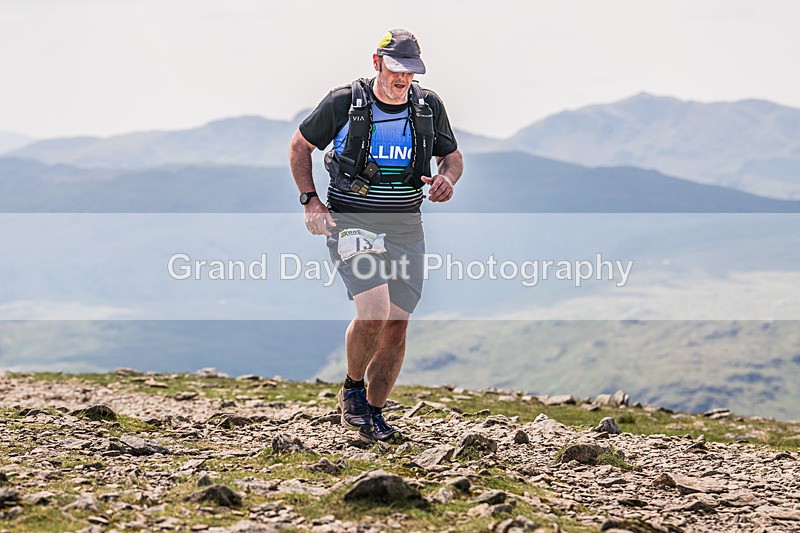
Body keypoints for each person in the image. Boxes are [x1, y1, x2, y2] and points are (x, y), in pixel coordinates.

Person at [288, 29, 463, 443]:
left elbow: (451, 156)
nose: (402, 78)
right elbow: (300, 145)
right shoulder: (345, 102)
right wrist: (311, 200)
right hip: (353, 221)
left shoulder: (428, 106)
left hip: (406, 226)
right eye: (395, 68)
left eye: (410, 71)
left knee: (397, 326)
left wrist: (447, 179)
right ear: (377, 62)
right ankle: (352, 391)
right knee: (375, 312)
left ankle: (374, 415)